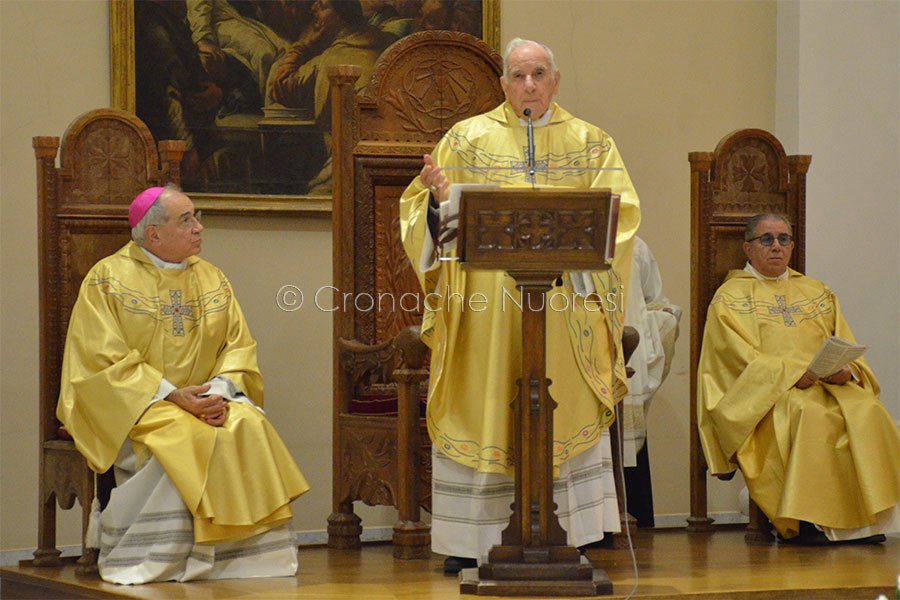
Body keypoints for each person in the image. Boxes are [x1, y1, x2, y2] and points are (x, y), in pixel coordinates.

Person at [399, 38, 641, 572]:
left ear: (555, 80)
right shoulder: (467, 138)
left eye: (538, 74)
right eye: (517, 76)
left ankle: (564, 533)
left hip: (562, 305)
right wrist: (437, 200)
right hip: (486, 307)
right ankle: (474, 539)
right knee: (486, 403)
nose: (528, 85)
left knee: (555, 404)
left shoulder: (592, 143)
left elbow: (619, 221)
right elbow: (425, 214)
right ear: (503, 84)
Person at [57, 185, 310, 584]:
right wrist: (172, 395)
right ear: (153, 233)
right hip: (140, 404)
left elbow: (238, 345)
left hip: (207, 399)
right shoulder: (108, 279)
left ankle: (244, 561)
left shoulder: (211, 277)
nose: (199, 228)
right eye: (186, 219)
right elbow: (98, 359)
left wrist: (219, 392)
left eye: (196, 216)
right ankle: (163, 557)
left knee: (248, 426)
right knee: (187, 436)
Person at [697, 213, 899, 544]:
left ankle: (866, 522)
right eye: (767, 239)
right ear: (748, 248)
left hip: (827, 385)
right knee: (811, 416)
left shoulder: (816, 291)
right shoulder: (730, 298)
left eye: (783, 239)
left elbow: (845, 341)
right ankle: (805, 522)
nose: (776, 246)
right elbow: (733, 359)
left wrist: (847, 370)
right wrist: (792, 375)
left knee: (868, 410)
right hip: (773, 394)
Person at [267, 0, 391, 194]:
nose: (313, 9)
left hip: (346, 162)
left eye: (323, 6)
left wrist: (303, 45)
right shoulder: (389, 43)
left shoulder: (330, 60)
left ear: (342, 15)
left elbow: (281, 84)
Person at [621, 236, 681, 528]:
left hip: (626, 354)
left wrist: (665, 316)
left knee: (625, 435)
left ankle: (630, 514)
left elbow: (653, 299)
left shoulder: (635, 245)